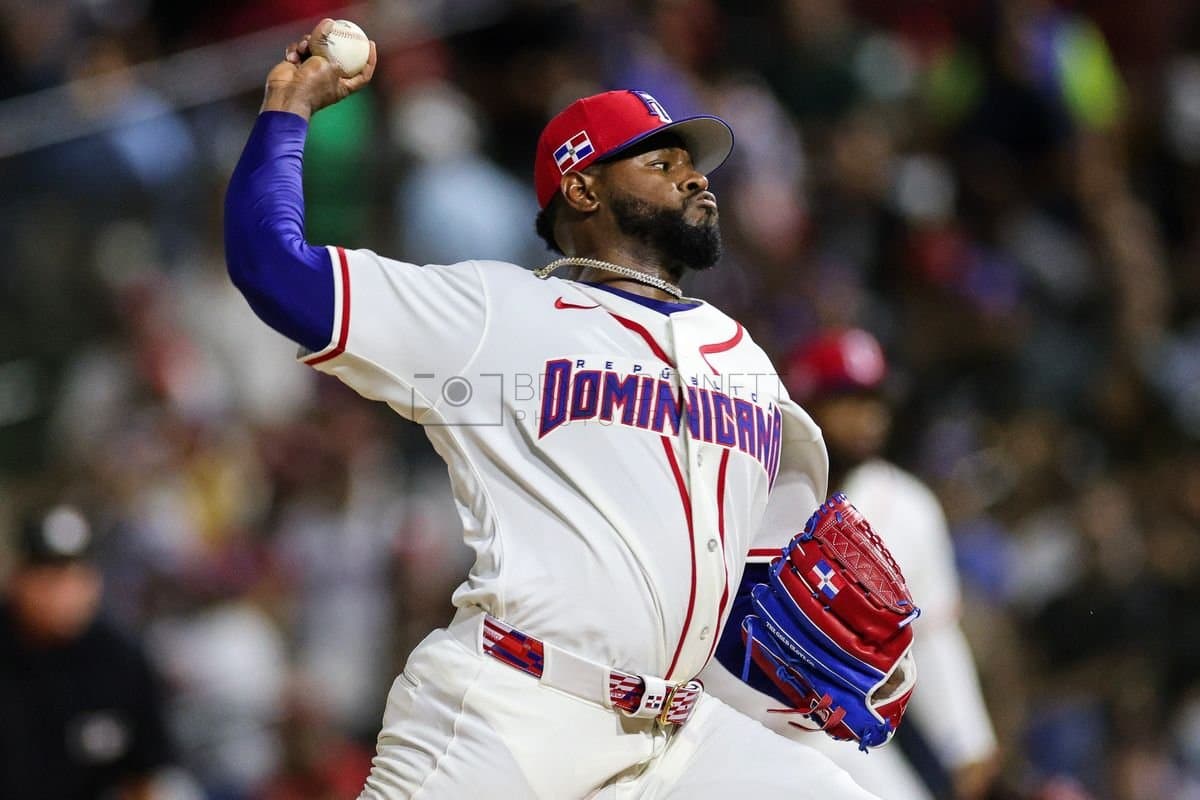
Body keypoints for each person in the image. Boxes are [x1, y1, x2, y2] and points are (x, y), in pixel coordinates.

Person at [224, 20, 892, 798]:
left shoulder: (742, 355)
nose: (696, 179)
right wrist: (288, 106)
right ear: (582, 187)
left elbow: (758, 569)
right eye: (663, 160)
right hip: (515, 710)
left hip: (680, 738)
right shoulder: (493, 312)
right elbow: (271, 266)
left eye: (695, 165)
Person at [783, 329, 1000, 800]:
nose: (867, 418)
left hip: (833, 728)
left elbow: (930, 637)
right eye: (848, 399)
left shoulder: (908, 506)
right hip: (734, 711)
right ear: (805, 401)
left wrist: (967, 742)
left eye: (874, 401)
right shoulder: (760, 481)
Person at [0, 504, 175, 800]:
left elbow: (144, 775)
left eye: (73, 576)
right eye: (47, 576)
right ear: (18, 579)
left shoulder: (121, 658)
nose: (62, 592)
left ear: (94, 581)